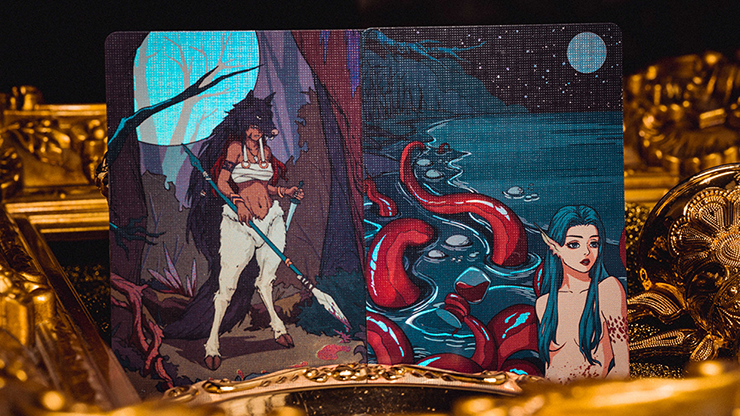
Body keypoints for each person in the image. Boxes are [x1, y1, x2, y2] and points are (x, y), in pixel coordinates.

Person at [177, 90, 303, 371]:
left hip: (270, 219)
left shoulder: (266, 153)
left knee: (267, 278)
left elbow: (267, 187)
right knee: (227, 286)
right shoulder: (235, 149)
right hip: (241, 222)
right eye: (252, 126)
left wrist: (286, 191)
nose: (256, 131)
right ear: (244, 125)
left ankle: (277, 326)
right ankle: (212, 343)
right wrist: (237, 202)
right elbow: (222, 182)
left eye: (260, 126)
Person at [536, 205, 628, 383]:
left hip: (594, 395)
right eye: (574, 244)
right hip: (553, 395)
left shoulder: (608, 290)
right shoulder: (544, 303)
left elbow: (622, 367)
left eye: (593, 243)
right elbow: (551, 368)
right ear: (554, 247)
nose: (586, 252)